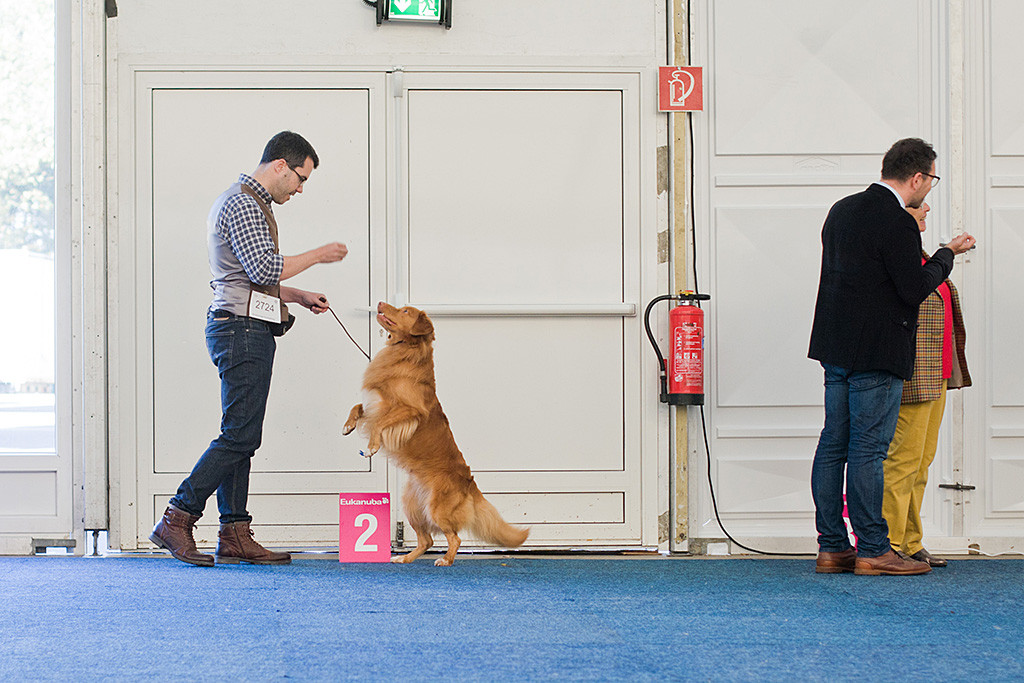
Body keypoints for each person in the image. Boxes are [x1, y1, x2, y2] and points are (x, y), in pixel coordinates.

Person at [150, 131, 349, 567]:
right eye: (300, 178)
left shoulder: (250, 202)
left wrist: (295, 296)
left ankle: (235, 532)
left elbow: (253, 276)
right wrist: (319, 253)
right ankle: (177, 516)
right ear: (280, 165)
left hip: (243, 325)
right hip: (240, 330)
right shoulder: (242, 202)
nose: (300, 189)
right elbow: (264, 267)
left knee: (240, 434)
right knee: (240, 434)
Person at [808, 137, 976, 576]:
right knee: (868, 451)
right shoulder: (897, 221)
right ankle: (875, 551)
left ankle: (832, 548)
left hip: (834, 346)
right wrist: (946, 255)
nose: (929, 191)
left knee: (832, 446)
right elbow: (912, 289)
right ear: (917, 177)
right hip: (876, 351)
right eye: (931, 180)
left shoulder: (842, 209)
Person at [882, 202, 971, 568]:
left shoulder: (922, 259)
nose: (927, 208)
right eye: (918, 208)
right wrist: (945, 253)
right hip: (914, 376)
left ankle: (911, 540)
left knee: (921, 464)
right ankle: (887, 543)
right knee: (902, 462)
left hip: (938, 375)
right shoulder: (901, 261)